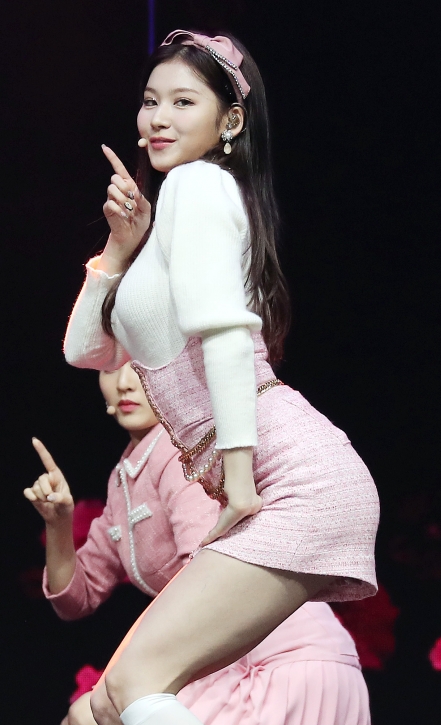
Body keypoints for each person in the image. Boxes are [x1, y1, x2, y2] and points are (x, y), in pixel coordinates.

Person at [62, 31, 379, 725]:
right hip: (279, 471)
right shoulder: (170, 217)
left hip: (290, 475)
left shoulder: (199, 185)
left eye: (184, 102)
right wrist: (118, 247)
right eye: (151, 101)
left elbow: (230, 337)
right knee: (109, 701)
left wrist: (238, 480)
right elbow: (86, 351)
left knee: (133, 682)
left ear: (231, 120)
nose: (159, 118)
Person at [24, 362, 370, 725]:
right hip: (221, 658)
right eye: (111, 369)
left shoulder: (183, 453)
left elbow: (202, 568)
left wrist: (121, 677)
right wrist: (59, 524)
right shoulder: (124, 475)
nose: (124, 383)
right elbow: (75, 600)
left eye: (139, 367)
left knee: (89, 715)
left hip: (273, 660)